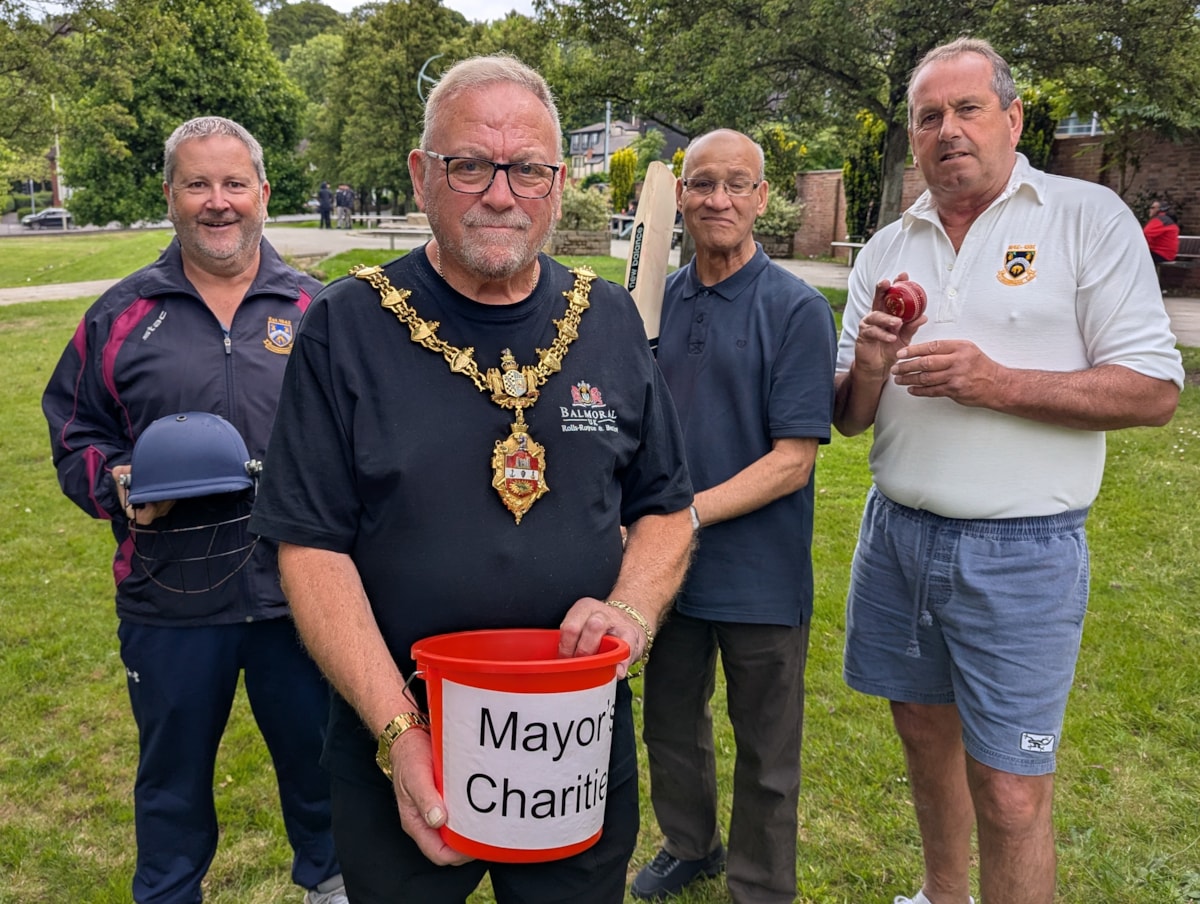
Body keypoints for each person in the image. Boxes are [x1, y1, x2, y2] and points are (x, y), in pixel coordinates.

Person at [246, 54, 695, 904]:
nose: (500, 193)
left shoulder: (605, 320)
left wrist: (631, 611)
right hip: (402, 732)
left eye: (528, 168)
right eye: (469, 164)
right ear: (423, 175)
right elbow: (309, 547)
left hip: (574, 736)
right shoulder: (347, 326)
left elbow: (667, 510)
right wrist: (399, 733)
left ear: (558, 182)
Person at [834, 38, 1184, 904]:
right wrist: (872, 364)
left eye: (967, 110)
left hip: (1022, 551)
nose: (947, 130)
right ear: (912, 137)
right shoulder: (887, 246)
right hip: (898, 537)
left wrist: (995, 383)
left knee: (1014, 790)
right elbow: (847, 419)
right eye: (928, 117)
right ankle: (942, 895)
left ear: (1013, 118)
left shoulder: (1082, 215)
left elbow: (1152, 390)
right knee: (923, 738)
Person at [42, 116, 346, 904]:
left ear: (263, 194)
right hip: (168, 599)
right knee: (171, 787)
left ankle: (333, 884)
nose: (219, 202)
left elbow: (370, 443)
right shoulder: (121, 316)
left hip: (303, 599)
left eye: (234, 183)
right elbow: (75, 434)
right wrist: (116, 483)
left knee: (324, 772)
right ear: (171, 196)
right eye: (198, 184)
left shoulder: (322, 313)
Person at [632, 129, 836, 904]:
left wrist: (683, 515)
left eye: (736, 185)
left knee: (767, 751)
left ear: (760, 199)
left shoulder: (796, 310)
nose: (718, 198)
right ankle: (690, 844)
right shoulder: (655, 302)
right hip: (665, 572)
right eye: (703, 183)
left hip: (760, 574)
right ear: (680, 196)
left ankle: (760, 885)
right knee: (670, 726)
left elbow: (795, 459)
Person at [1143, 198, 1180, 264]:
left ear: (1160, 209)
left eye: (1152, 207)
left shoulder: (1159, 220)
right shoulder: (1167, 220)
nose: (1150, 209)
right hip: (1167, 255)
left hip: (1160, 254)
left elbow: (1144, 235)